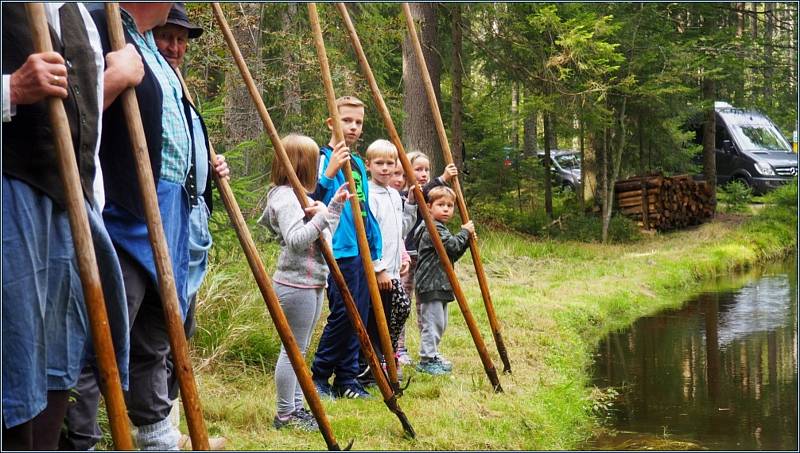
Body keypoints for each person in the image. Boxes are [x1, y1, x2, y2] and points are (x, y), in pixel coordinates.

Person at [58, 3, 218, 450]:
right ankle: (78, 441)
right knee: (102, 339)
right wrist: (112, 80)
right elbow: (65, 115)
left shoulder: (146, 43)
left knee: (156, 332)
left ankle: (156, 438)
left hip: (169, 211)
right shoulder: (96, 22)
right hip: (124, 213)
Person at [2, 2, 142, 449]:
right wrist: (10, 89)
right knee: (15, 349)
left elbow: (89, 130)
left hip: (72, 204)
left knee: (60, 352)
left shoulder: (78, 15)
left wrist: (89, 203)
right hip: (11, 190)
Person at [151, 4, 229, 450]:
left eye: (181, 39)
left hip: (190, 228)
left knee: (183, 326)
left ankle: (171, 429)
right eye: (167, 37)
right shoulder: (149, 81)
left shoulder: (178, 85)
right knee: (163, 332)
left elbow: (185, 151)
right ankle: (159, 432)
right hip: (163, 220)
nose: (176, 47)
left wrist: (208, 164)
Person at [258, 134, 352, 431]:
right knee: (293, 350)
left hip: (312, 282)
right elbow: (298, 240)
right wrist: (323, 215)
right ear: (305, 165)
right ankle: (286, 414)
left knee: (302, 348)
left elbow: (322, 236)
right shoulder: (285, 197)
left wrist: (333, 208)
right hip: (294, 284)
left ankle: (297, 408)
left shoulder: (301, 196)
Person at [310, 96, 381, 400]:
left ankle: (348, 378)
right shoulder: (322, 158)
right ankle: (319, 375)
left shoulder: (359, 164)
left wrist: (376, 250)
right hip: (338, 250)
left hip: (361, 251)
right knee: (343, 313)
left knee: (359, 314)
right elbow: (312, 201)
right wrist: (330, 171)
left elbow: (363, 208)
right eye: (346, 120)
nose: (353, 127)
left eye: (358, 122)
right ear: (331, 123)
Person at [357, 140, 416, 386]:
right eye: (379, 163)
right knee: (374, 319)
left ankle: (386, 357)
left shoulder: (394, 194)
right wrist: (378, 267)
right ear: (368, 165)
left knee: (399, 309)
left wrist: (411, 205)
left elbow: (398, 230)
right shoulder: (368, 195)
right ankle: (370, 367)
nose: (384, 168)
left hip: (392, 270)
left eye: (389, 164)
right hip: (375, 271)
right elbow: (368, 234)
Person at [397, 151, 458, 362]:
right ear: (406, 170)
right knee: (402, 303)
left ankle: (428, 348)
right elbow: (425, 190)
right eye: (418, 169)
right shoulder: (405, 194)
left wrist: (442, 180)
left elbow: (432, 193)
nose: (423, 174)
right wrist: (441, 178)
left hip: (422, 258)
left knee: (425, 305)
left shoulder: (426, 196)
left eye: (426, 170)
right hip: (405, 256)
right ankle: (400, 348)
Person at [412, 186, 475, 375]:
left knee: (441, 322)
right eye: (441, 205)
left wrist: (466, 240)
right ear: (429, 207)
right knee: (432, 323)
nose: (446, 209)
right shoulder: (433, 227)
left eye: (450, 205)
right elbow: (453, 245)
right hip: (431, 283)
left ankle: (433, 354)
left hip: (440, 282)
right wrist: (464, 233)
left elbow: (451, 255)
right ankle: (426, 359)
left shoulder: (439, 227)